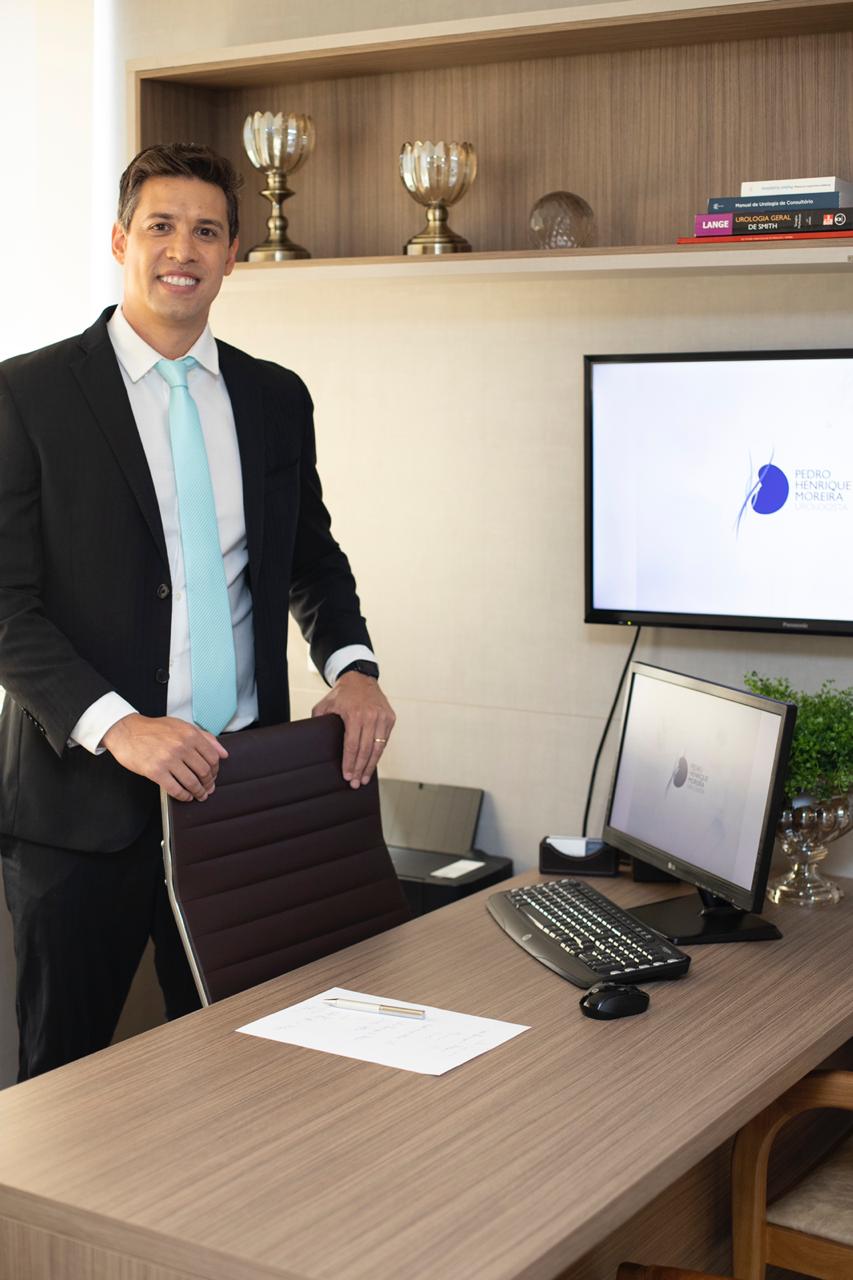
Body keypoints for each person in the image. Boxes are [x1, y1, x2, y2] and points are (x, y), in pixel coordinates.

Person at [0, 142, 395, 1081]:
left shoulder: (274, 398)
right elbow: (6, 607)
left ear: (231, 255)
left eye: (206, 232)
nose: (182, 250)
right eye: (161, 226)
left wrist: (353, 670)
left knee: (252, 1077)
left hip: (237, 799)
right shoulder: (25, 394)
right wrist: (119, 727)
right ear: (120, 241)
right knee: (61, 1092)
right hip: (78, 812)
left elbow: (311, 561)